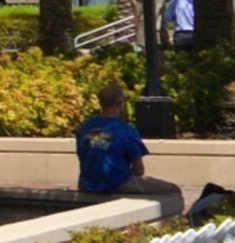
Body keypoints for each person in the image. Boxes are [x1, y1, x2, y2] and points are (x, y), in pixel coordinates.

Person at [73, 83, 183, 216]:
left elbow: (83, 156)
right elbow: (139, 170)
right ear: (121, 104)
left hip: (87, 184)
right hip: (117, 183)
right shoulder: (125, 130)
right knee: (174, 190)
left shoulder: (84, 127)